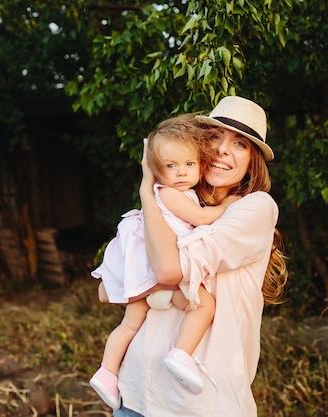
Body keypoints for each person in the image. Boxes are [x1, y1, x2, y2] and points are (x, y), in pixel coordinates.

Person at [113, 95, 288, 416]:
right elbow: (105, 287)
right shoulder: (175, 208)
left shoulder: (255, 207)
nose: (223, 149)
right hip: (136, 394)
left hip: (200, 403)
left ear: (253, 161)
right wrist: (153, 200)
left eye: (240, 144)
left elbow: (165, 272)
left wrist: (147, 196)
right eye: (214, 137)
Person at [90, 114, 239, 409]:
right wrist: (228, 205)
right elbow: (201, 218)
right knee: (204, 304)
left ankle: (107, 373)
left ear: (201, 163)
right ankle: (180, 354)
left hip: (151, 278)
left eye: (189, 164)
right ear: (157, 172)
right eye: (171, 166)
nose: (181, 172)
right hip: (156, 274)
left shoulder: (177, 193)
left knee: (130, 324)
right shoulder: (170, 194)